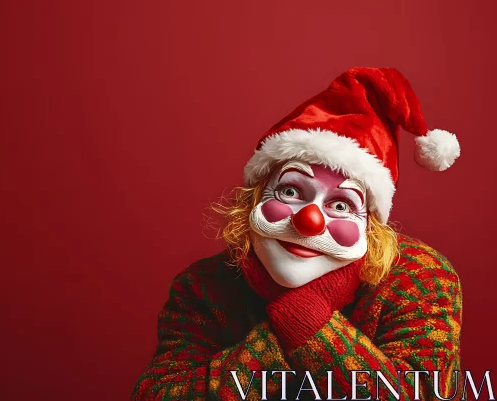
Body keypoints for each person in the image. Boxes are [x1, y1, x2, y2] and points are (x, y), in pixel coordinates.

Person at [131, 67, 463, 400]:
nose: (309, 220)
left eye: (342, 206)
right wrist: (290, 326)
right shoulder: (203, 287)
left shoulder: (418, 277)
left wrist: (310, 323)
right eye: (290, 192)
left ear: (371, 228)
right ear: (253, 200)